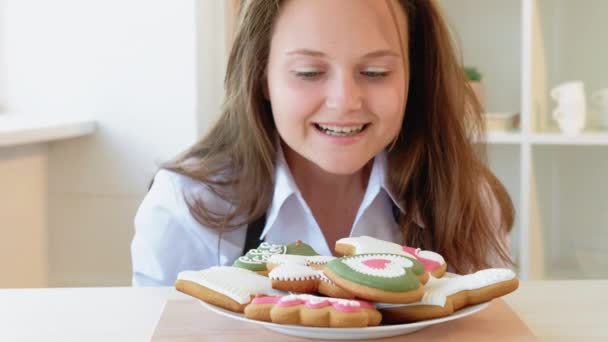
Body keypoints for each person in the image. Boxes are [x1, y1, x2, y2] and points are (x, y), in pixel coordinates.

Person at [130, 0, 515, 287]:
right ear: (261, 76)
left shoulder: (467, 200)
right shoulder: (187, 205)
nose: (345, 101)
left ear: (414, 78)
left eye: (375, 72)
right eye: (309, 72)